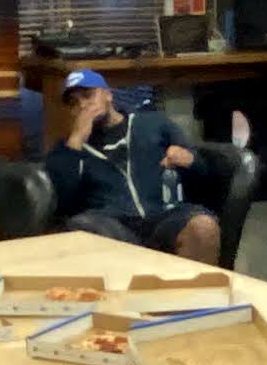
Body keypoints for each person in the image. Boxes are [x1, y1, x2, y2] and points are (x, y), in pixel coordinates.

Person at [45, 71, 222, 263]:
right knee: (82, 229)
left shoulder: (153, 124)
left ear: (108, 94)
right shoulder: (68, 150)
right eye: (73, 103)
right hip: (110, 224)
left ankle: (196, 284)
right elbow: (60, 203)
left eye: (88, 95)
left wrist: (190, 161)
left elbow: (205, 178)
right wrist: (77, 138)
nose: (82, 105)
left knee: (203, 227)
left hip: (164, 216)